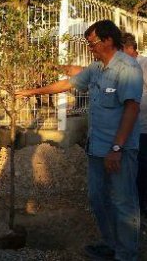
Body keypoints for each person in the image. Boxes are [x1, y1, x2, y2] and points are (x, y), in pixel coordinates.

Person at [16, 20, 142, 261]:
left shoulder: (128, 68)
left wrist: (117, 148)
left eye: (92, 43)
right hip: (96, 149)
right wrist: (31, 92)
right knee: (98, 199)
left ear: (108, 41)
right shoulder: (96, 69)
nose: (89, 48)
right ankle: (111, 244)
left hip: (119, 150)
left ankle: (126, 254)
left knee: (122, 201)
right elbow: (67, 83)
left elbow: (131, 109)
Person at [122, 32, 147, 219]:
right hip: (130, 127)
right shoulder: (124, 66)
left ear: (129, 49)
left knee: (142, 167)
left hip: (143, 128)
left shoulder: (144, 64)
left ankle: (140, 207)